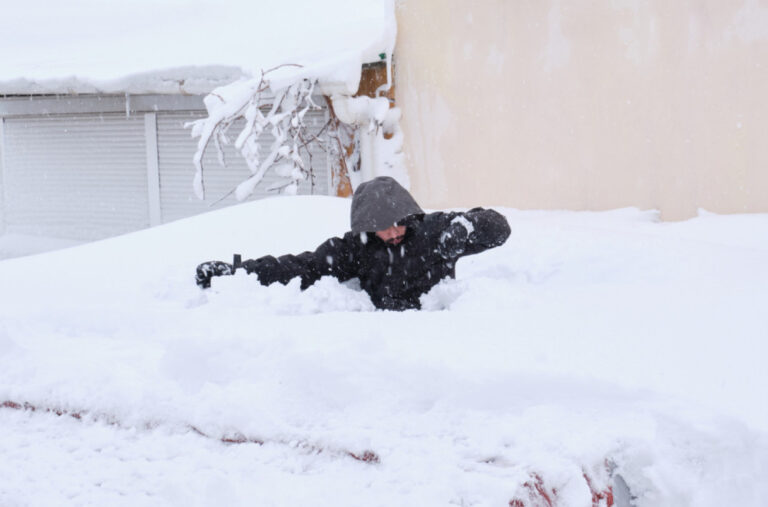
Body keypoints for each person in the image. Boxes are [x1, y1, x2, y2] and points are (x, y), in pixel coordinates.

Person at [195, 176, 511, 311]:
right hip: (383, 350)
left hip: (438, 344)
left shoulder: (434, 232)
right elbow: (301, 267)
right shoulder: (355, 250)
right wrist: (239, 272)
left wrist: (466, 227)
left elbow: (499, 228)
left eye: (399, 222)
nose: (394, 232)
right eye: (384, 228)